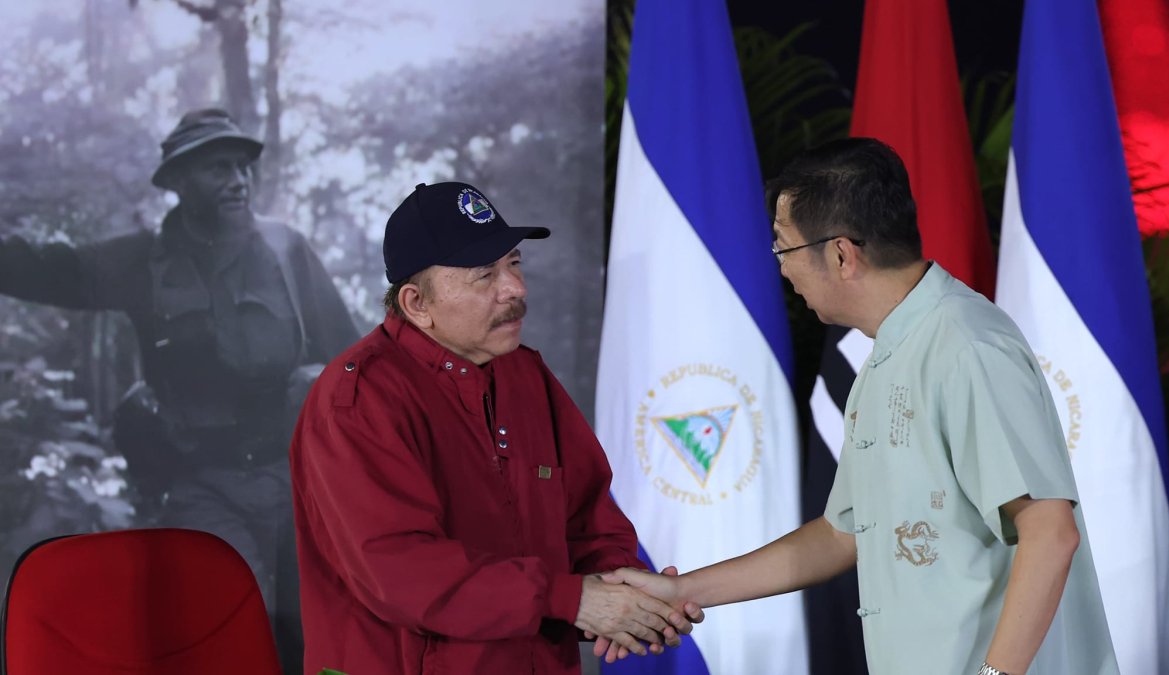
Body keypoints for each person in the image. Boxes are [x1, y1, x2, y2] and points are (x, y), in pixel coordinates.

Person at [601, 138, 1119, 675]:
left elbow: (1050, 532)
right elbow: (841, 534)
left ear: (842, 254)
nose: (782, 269)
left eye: (784, 248)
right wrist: (679, 590)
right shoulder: (889, 354)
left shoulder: (966, 346)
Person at [289, 180, 702, 674]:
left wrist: (627, 593)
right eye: (486, 275)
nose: (516, 289)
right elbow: (402, 571)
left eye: (514, 263)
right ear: (417, 303)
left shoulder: (526, 374)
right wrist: (574, 600)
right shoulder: (356, 401)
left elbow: (588, 515)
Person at [0, 108, 359, 672]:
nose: (238, 180)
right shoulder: (141, 262)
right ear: (179, 183)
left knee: (314, 639)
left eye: (242, 168)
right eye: (218, 168)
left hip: (295, 482)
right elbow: (51, 269)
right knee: (226, 631)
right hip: (200, 486)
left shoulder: (286, 251)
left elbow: (354, 359)